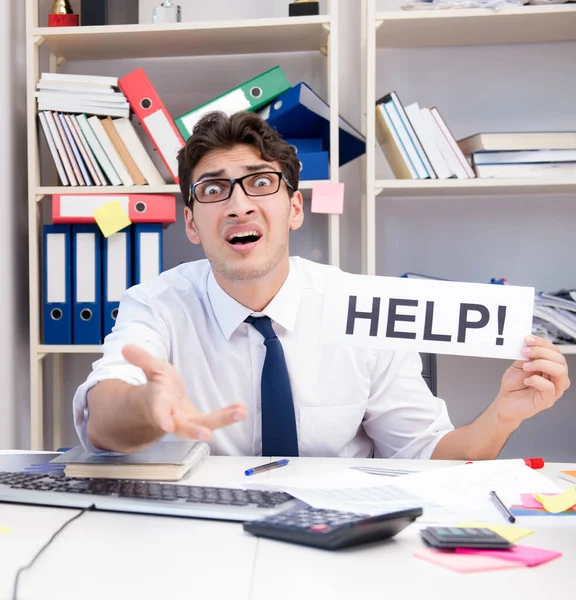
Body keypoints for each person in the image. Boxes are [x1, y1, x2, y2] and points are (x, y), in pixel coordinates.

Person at [73, 111, 570, 459]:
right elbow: (103, 419)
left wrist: (503, 414)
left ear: (294, 209)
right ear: (191, 223)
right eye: (213, 189)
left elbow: (430, 455)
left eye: (260, 182)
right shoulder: (155, 305)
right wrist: (148, 408)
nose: (239, 204)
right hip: (201, 539)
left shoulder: (368, 309)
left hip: (340, 538)